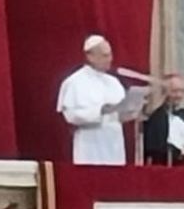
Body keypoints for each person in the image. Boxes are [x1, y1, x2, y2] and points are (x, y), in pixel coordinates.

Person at [55, 35, 144, 166]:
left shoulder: (113, 82)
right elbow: (71, 116)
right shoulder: (75, 82)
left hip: (114, 145)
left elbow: (120, 115)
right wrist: (100, 111)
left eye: (110, 54)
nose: (110, 59)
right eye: (105, 55)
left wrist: (134, 109)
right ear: (90, 56)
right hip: (90, 146)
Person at [141, 73, 184, 166]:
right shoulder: (156, 119)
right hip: (165, 171)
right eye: (174, 91)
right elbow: (153, 148)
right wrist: (179, 153)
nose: (179, 95)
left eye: (182, 91)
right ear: (164, 92)